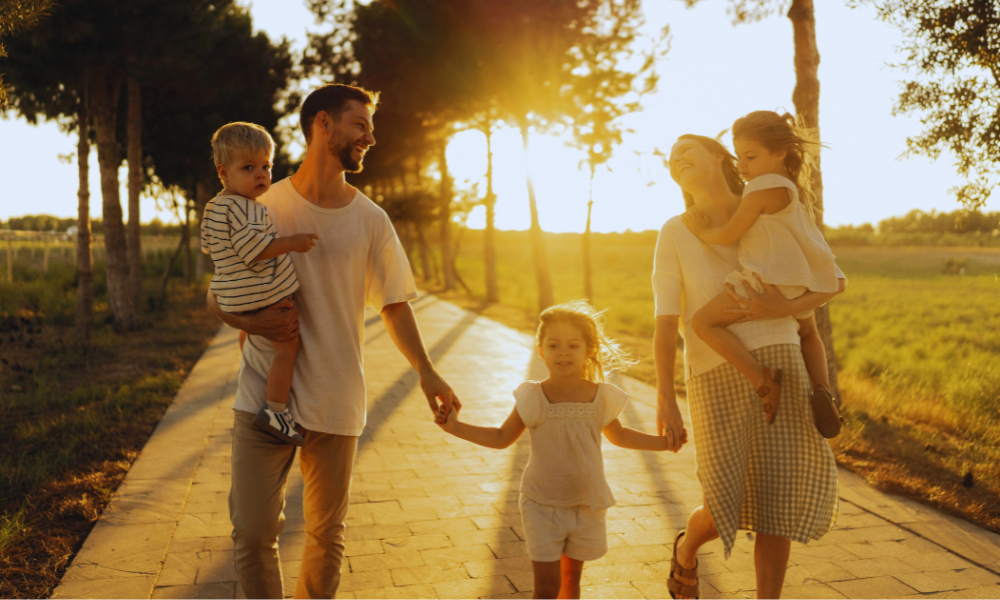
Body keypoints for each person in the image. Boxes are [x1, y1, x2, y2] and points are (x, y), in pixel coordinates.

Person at [206, 84, 460, 599]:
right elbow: (217, 294)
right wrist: (255, 326)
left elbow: (393, 303)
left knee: (325, 536)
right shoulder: (260, 203)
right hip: (262, 399)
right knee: (253, 533)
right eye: (360, 125)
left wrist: (426, 370)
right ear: (323, 124)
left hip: (336, 398)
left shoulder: (370, 220)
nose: (370, 136)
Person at [654, 133, 847, 599]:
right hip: (714, 372)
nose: (677, 159)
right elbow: (666, 324)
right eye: (672, 157)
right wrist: (664, 397)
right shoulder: (675, 231)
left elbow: (805, 314)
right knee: (722, 502)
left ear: (721, 159)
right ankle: (686, 550)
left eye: (688, 150)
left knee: (775, 503)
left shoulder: (767, 208)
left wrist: (820, 384)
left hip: (783, 363)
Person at [436, 300, 681, 600]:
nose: (563, 352)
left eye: (573, 345)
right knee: (547, 588)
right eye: (553, 345)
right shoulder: (533, 397)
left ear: (588, 350)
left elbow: (619, 435)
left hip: (584, 505)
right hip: (542, 506)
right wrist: (455, 427)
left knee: (570, 581)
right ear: (541, 350)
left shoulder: (599, 397)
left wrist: (665, 442)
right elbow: (502, 437)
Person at [681, 111, 839, 429]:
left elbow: (730, 233)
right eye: (739, 156)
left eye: (750, 157)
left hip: (763, 282)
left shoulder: (762, 187)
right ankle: (822, 390)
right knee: (809, 332)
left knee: (701, 323)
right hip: (797, 282)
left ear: (779, 153)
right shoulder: (792, 191)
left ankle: (761, 378)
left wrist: (701, 231)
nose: (742, 166)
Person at [201, 121, 318, 446]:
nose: (261, 174)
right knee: (286, 347)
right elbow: (256, 251)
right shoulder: (247, 208)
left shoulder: (215, 206)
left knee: (251, 336)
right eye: (249, 167)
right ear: (224, 173)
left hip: (237, 295)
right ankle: (276, 410)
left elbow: (211, 247)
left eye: (266, 166)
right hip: (264, 294)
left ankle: (255, 373)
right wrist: (291, 242)